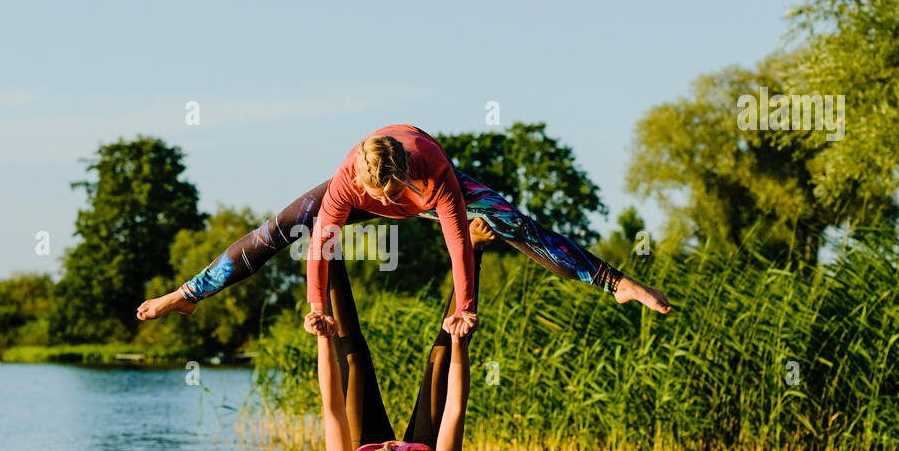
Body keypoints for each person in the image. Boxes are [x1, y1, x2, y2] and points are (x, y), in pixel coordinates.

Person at [138, 125, 671, 329]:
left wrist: (465, 309)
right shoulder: (348, 181)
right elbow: (321, 243)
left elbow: (457, 241)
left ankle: (614, 284)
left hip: (437, 187)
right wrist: (316, 308)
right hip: (361, 189)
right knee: (278, 228)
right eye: (383, 198)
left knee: (513, 224)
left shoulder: (434, 170)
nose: (391, 206)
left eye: (396, 196)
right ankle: (188, 294)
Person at [317, 219, 495, 451]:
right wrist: (460, 341)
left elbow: (333, 408)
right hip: (421, 450)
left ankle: (327, 246)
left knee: (353, 362)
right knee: (441, 361)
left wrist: (324, 336)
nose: (391, 443)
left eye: (384, 449)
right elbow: (455, 408)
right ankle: (473, 249)